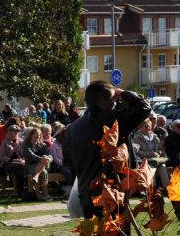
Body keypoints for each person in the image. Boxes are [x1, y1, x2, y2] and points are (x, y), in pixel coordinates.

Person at [64, 80, 150, 222]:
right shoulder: (112, 120)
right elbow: (143, 107)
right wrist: (123, 93)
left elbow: (68, 162)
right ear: (104, 102)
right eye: (114, 100)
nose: (116, 103)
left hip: (87, 193)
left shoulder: (72, 128)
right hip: (112, 193)